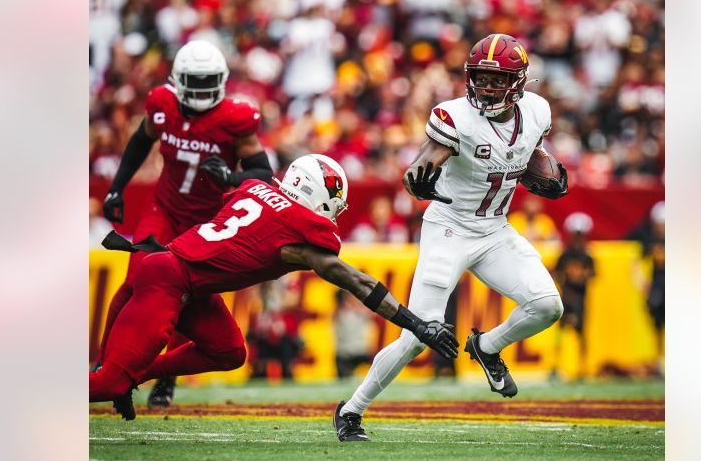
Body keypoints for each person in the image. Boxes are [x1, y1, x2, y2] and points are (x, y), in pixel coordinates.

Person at [90, 154, 457, 427]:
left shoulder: (254, 189)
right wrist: (416, 324)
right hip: (169, 279)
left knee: (230, 351)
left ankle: (136, 375)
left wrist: (232, 176)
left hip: (182, 277)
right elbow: (358, 282)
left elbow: (241, 192)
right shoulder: (301, 228)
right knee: (106, 381)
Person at [335, 34, 568, 441]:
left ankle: (488, 347)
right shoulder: (454, 116)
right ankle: (351, 410)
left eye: (497, 80)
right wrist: (416, 183)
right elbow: (421, 164)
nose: (487, 87)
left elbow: (529, 153)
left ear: (518, 83)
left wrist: (549, 174)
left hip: (495, 229)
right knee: (419, 334)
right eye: (481, 78)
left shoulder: (537, 112)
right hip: (449, 228)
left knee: (548, 306)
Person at [97, 39, 274, 408]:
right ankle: (105, 366)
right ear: (178, 80)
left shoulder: (235, 119)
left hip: (208, 221)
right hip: (164, 209)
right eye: (194, 80)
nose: (200, 89)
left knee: (189, 297)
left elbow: (263, 173)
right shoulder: (161, 104)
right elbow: (140, 141)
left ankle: (163, 374)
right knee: (136, 281)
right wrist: (117, 188)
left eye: (207, 80)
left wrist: (227, 176)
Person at [550, 213, 596, 381]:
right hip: (566, 298)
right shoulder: (566, 255)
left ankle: (582, 367)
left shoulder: (587, 256)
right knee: (561, 333)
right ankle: (556, 365)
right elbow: (556, 273)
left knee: (581, 335)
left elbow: (593, 275)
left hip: (580, 299)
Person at [633, 201, 665, 374]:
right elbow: (636, 264)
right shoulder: (651, 241)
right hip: (658, 286)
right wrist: (641, 282)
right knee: (657, 325)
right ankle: (659, 360)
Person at [331, 290, 372, 379]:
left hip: (359, 350)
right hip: (344, 352)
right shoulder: (340, 312)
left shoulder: (359, 311)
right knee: (344, 379)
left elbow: (369, 312)